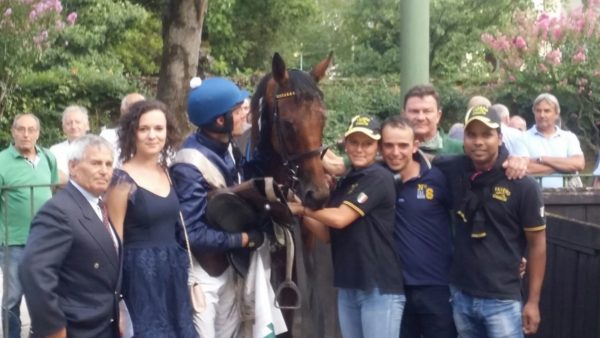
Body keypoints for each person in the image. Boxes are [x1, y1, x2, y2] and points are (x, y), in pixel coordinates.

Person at [434, 105, 547, 338]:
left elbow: (537, 245)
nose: (478, 142)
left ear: (500, 138)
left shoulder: (522, 184)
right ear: (463, 138)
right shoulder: (454, 169)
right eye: (472, 135)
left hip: (502, 299)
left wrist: (533, 302)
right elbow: (412, 158)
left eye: (486, 134)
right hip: (461, 295)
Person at [289, 115, 405, 338]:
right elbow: (327, 234)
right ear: (346, 144)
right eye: (354, 142)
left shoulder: (378, 177)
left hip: (378, 287)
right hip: (348, 285)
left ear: (377, 147)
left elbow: (340, 218)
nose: (360, 149)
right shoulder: (345, 181)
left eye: (367, 143)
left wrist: (302, 210)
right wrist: (294, 205)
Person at [169, 77, 261, 338]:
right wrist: (242, 239)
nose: (245, 113)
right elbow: (191, 234)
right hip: (204, 276)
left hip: (228, 267)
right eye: (238, 109)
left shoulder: (230, 148)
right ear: (221, 121)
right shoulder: (189, 164)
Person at [104, 100, 197, 337]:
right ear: (132, 132)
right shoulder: (121, 180)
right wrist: (119, 299)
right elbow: (114, 242)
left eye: (159, 128)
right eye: (144, 129)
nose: (152, 135)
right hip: (139, 277)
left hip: (173, 271)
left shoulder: (166, 171)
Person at [19, 135, 120, 338]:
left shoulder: (99, 207)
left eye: (109, 164)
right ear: (73, 167)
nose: (104, 170)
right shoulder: (58, 211)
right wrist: (52, 328)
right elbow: (34, 271)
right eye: (96, 163)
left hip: (101, 324)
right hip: (75, 329)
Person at [379, 116, 456, 338]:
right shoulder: (375, 180)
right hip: (394, 291)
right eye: (389, 145)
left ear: (415, 145)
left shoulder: (437, 177)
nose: (395, 152)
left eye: (403, 145)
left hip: (437, 287)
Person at [0, 113, 58, 338]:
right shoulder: (2, 161)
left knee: (43, 292)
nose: (26, 134)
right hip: (13, 242)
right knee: (13, 296)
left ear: (38, 133)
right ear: (13, 132)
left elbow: (51, 188)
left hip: (45, 241)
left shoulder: (48, 157)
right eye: (21, 129)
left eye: (31, 129)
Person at [523, 93, 585, 188]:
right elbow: (524, 168)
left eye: (547, 111)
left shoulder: (569, 137)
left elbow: (579, 164)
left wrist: (542, 159)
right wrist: (563, 167)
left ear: (556, 114)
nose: (542, 115)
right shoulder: (522, 137)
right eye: (538, 111)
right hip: (533, 198)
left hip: (566, 197)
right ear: (534, 113)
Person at [100, 92, 145, 166]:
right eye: (134, 108)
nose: (138, 112)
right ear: (123, 111)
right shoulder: (108, 136)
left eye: (142, 108)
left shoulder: (152, 137)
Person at [50, 105, 90, 184]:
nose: (73, 126)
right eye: (69, 123)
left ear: (87, 126)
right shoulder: (55, 151)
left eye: (78, 122)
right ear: (64, 128)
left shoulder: (98, 149)